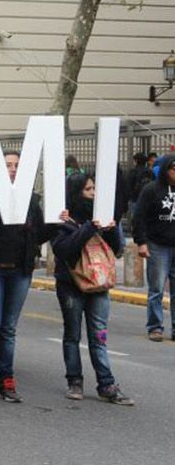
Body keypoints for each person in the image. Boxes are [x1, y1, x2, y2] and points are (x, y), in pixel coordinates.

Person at [0, 153, 54, 403]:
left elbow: (37, 237)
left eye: (17, 165)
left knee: (9, 329)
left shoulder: (30, 201)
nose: (13, 170)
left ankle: (6, 380)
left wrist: (57, 221)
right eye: (8, 165)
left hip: (19, 271)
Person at [52, 173, 133, 405]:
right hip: (71, 286)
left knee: (99, 336)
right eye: (88, 190)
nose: (94, 194)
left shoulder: (102, 218)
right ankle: (74, 381)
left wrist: (110, 229)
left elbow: (116, 250)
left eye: (95, 189)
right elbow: (65, 250)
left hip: (98, 286)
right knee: (72, 334)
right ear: (77, 193)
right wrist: (88, 228)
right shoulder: (64, 220)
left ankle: (106, 384)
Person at [132, 153, 175, 342]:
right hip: (158, 245)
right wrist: (141, 242)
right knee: (156, 288)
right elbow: (139, 217)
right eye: (173, 168)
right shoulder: (151, 190)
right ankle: (155, 326)